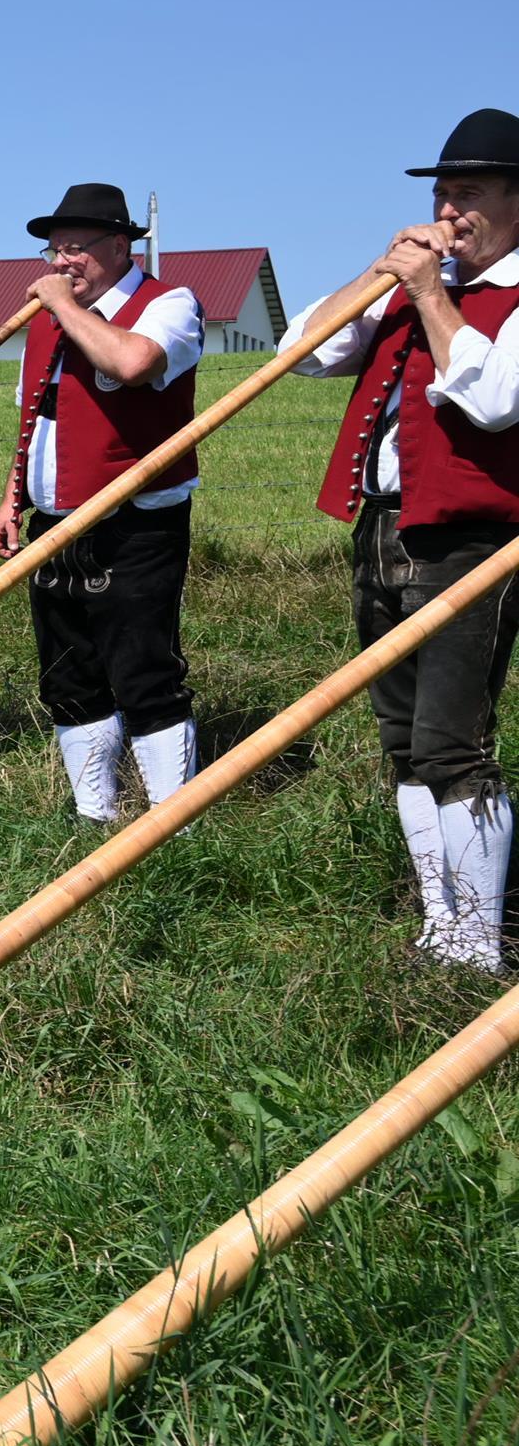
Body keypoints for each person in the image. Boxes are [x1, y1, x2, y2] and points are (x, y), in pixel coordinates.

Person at [286, 107, 519, 969]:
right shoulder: (415, 286)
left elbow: (495, 398)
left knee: (453, 741)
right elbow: (302, 350)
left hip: (472, 536)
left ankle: (479, 940)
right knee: (402, 740)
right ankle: (439, 918)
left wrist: (429, 295)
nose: (452, 211)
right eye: (443, 193)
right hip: (380, 524)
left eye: (473, 193)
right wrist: (383, 272)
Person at [0, 182, 205, 823]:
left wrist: (63, 307)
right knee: (67, 670)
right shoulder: (52, 318)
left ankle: (171, 816)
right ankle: (97, 812)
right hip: (54, 518)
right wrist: (12, 499)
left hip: (136, 519)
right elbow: (39, 415)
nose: (62, 263)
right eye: (55, 250)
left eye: (77, 248)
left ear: (120, 245)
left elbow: (134, 362)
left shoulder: (168, 303)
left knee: (143, 667)